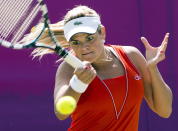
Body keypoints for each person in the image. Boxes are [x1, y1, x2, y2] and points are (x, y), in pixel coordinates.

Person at [32, 5, 173, 131]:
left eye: (89, 38)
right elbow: (61, 113)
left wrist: (153, 68)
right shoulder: (68, 69)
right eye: (75, 42)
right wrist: (78, 83)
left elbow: (164, 110)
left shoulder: (132, 56)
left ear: (102, 32)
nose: (84, 47)